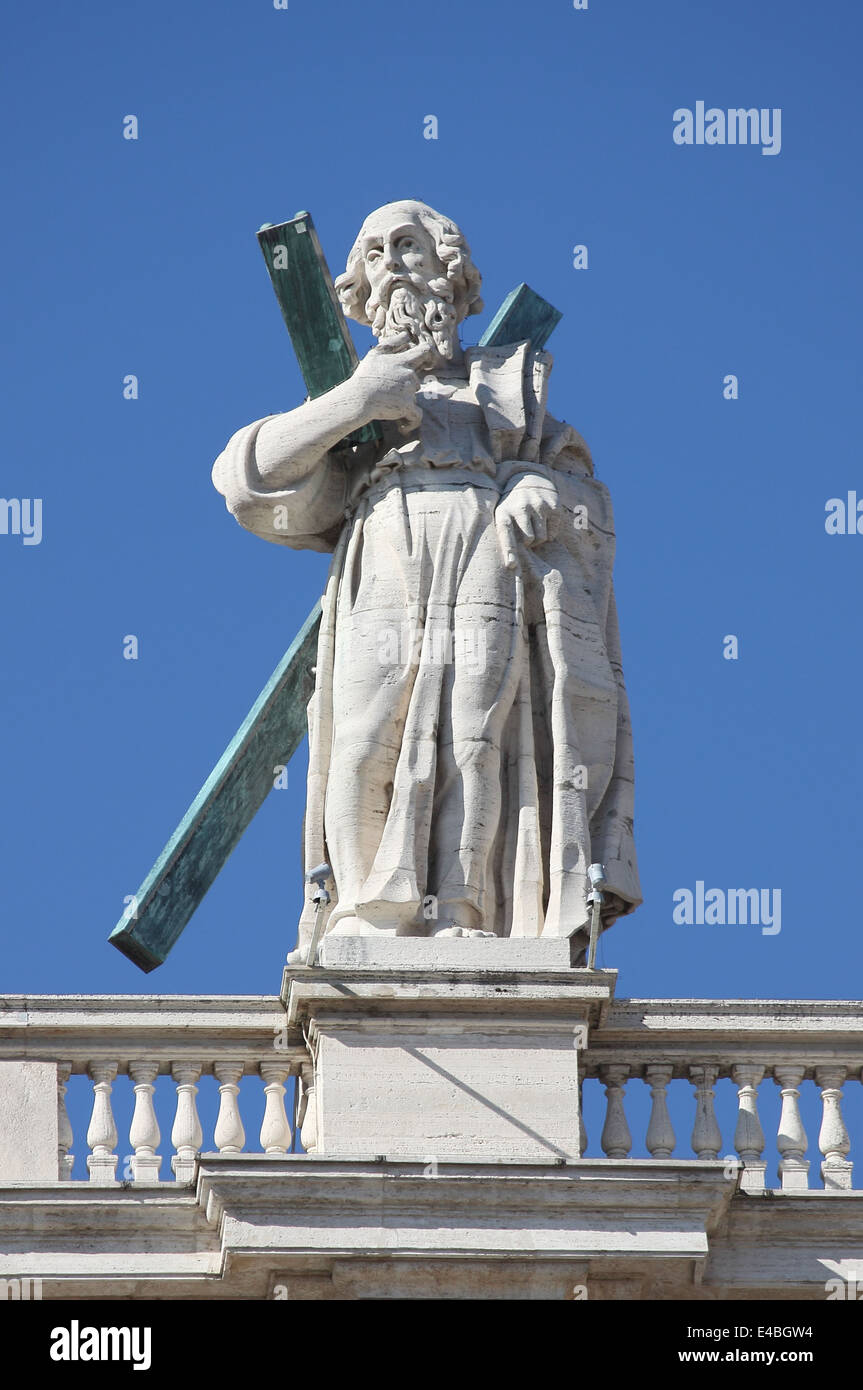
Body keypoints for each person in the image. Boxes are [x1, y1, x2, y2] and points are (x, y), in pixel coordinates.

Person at [213, 200, 641, 961]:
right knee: (364, 729)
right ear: (357, 289)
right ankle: (367, 910)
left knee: (479, 726)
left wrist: (537, 489)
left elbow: (582, 489)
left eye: (407, 246)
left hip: (488, 546)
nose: (390, 264)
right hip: (385, 543)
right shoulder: (351, 393)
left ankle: (463, 908)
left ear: (451, 271)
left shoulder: (508, 384)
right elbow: (246, 480)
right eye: (373, 253)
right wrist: (356, 401)